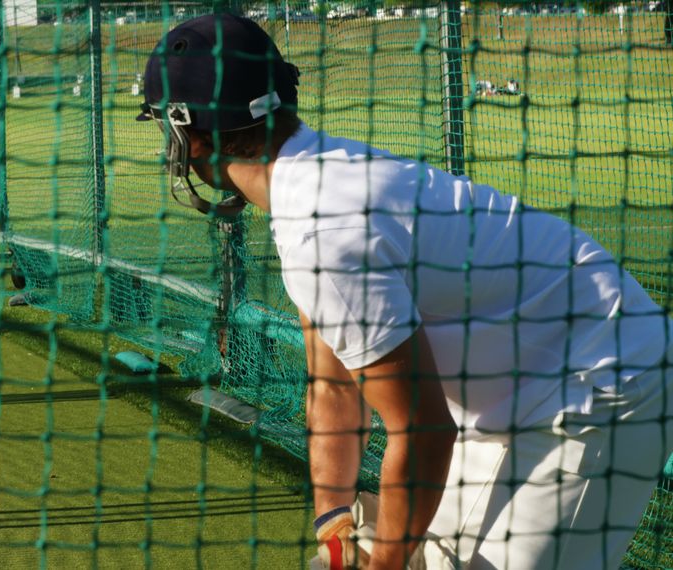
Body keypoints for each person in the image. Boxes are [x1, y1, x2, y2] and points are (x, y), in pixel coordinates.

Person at [138, 13, 672, 569]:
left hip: (606, 380)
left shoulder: (321, 226)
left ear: (189, 137)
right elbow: (334, 387)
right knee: (430, 554)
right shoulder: (312, 190)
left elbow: (422, 429)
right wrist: (334, 526)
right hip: (529, 385)